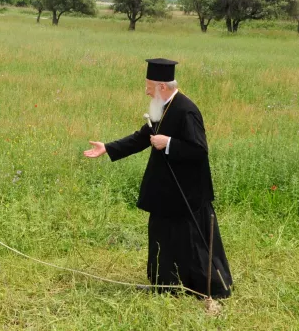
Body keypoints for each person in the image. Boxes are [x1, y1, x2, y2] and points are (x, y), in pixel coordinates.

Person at [83, 58, 233, 298]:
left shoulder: (187, 110)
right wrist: (108, 148)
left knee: (190, 242)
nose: (146, 91)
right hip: (166, 193)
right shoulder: (160, 106)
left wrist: (169, 143)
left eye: (149, 86)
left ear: (162, 86)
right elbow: (143, 137)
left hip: (187, 195)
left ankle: (205, 287)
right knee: (162, 236)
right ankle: (165, 285)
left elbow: (199, 150)